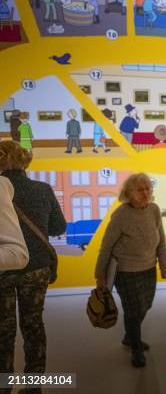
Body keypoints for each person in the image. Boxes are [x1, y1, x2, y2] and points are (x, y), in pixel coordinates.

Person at [0, 140, 66, 386]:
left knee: (3, 332)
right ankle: (34, 385)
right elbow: (59, 227)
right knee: (33, 325)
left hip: (4, 268)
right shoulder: (43, 189)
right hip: (37, 268)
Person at [95, 173, 166, 368]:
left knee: (146, 305)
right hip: (125, 272)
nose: (145, 192)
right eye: (140, 189)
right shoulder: (121, 215)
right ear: (129, 193)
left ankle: (130, 336)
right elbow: (106, 246)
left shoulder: (154, 210)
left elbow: (161, 240)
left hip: (148, 268)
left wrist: (164, 265)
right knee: (133, 310)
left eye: (147, 188)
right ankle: (136, 348)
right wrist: (99, 275)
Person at [0, 176, 28, 271]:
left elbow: (17, 254)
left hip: (8, 269)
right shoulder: (43, 189)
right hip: (37, 264)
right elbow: (58, 227)